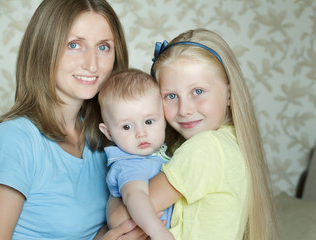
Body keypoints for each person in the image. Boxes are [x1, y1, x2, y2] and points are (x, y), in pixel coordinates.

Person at [0, 0, 148, 239]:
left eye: (103, 47)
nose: (92, 63)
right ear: (44, 49)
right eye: (74, 45)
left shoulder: (108, 137)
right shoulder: (14, 139)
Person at [108, 28, 280, 240]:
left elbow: (119, 218)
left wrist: (116, 189)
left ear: (229, 93)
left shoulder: (206, 147)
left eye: (198, 91)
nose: (184, 109)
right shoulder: (230, 142)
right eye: (171, 95)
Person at [98, 69, 174, 240]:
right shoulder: (129, 163)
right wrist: (159, 233)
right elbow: (135, 196)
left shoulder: (156, 155)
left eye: (148, 121)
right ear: (108, 132)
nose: (141, 133)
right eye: (127, 126)